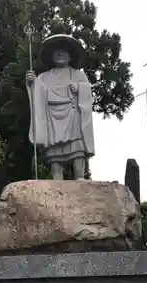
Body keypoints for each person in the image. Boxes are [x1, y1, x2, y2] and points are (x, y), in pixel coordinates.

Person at [26, 34, 95, 180]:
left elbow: (87, 92)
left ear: (70, 56)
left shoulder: (78, 75)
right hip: (52, 116)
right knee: (54, 152)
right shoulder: (44, 77)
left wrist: (78, 88)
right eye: (56, 52)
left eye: (63, 52)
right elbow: (37, 95)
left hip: (72, 113)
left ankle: (80, 175)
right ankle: (56, 178)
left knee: (77, 146)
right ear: (51, 57)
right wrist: (32, 83)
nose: (60, 55)